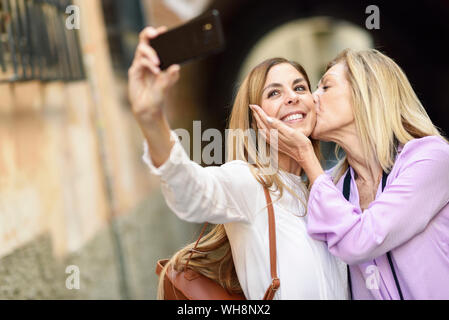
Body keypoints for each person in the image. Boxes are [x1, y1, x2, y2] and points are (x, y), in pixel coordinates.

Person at [128, 26, 348, 299]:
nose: (292, 97)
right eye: (273, 93)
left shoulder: (329, 189)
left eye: (299, 87)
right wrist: (151, 118)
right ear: (254, 121)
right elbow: (190, 191)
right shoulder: (249, 183)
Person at [251, 48, 449, 299]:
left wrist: (307, 158)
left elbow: (361, 240)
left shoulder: (431, 159)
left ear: (365, 94)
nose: (312, 97)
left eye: (326, 87)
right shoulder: (331, 185)